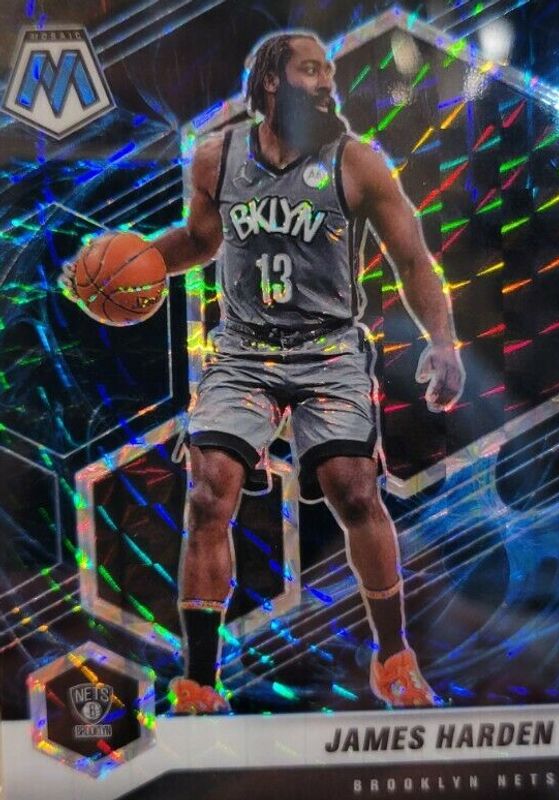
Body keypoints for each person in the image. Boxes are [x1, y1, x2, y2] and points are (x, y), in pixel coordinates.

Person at [64, 31, 464, 713]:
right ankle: (199, 682)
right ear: (272, 81)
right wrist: (120, 270)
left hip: (329, 349)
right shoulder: (217, 157)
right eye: (311, 70)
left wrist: (444, 341)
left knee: (354, 492)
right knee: (207, 494)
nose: (327, 82)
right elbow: (199, 240)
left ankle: (393, 659)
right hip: (245, 350)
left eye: (328, 71)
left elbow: (412, 258)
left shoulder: (357, 162)